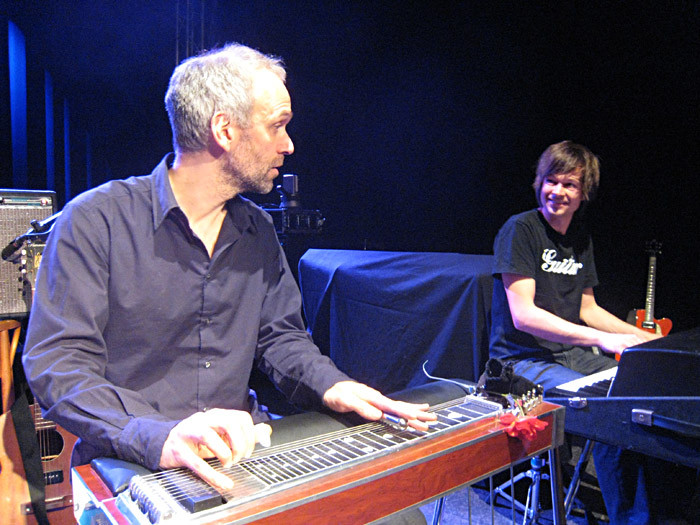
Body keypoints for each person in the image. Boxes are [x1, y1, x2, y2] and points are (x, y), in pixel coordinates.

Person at [22, 43, 436, 499]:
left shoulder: (256, 230)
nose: (289, 144)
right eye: (277, 125)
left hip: (241, 452)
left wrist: (331, 384)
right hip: (133, 460)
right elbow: (57, 365)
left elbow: (281, 338)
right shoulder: (96, 220)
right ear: (224, 129)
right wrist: (155, 435)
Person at [489, 140, 661, 524]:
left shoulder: (580, 240)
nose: (558, 192)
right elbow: (524, 316)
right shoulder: (520, 230)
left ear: (584, 193)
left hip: (565, 355)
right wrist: (600, 339)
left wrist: (647, 341)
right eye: (551, 181)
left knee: (632, 390)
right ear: (538, 183)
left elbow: (589, 309)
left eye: (569, 184)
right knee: (607, 408)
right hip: (520, 360)